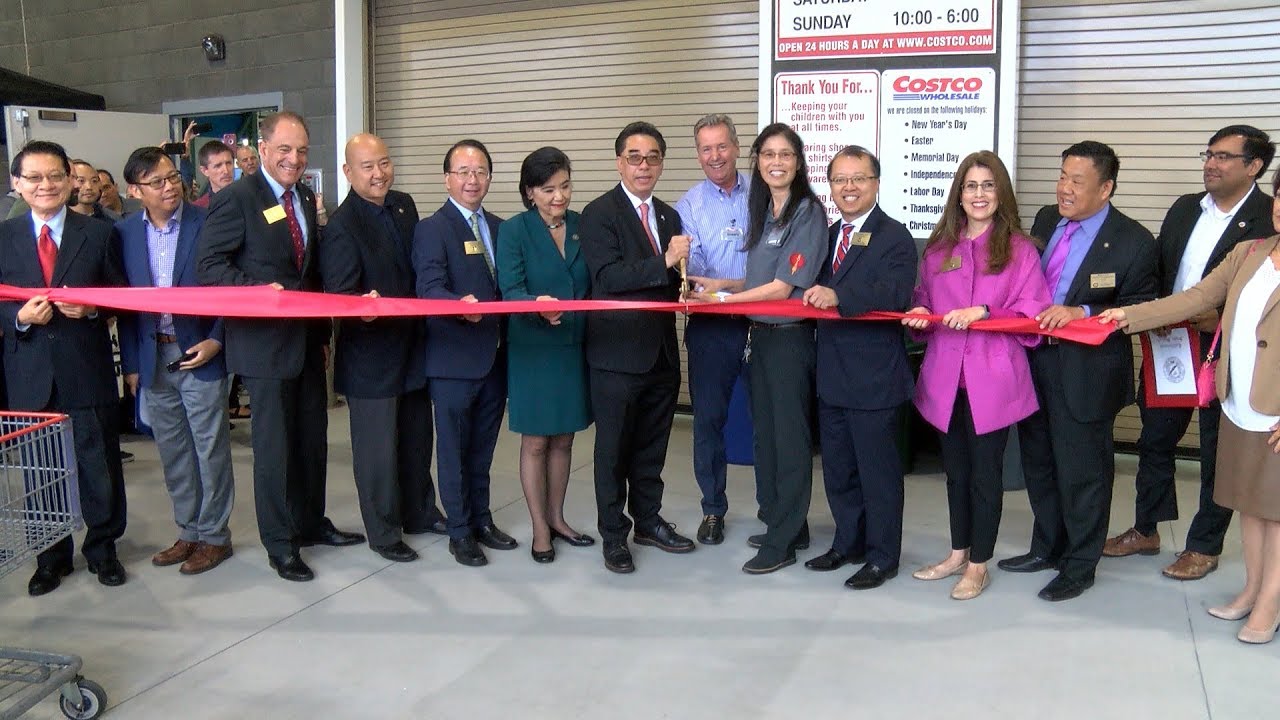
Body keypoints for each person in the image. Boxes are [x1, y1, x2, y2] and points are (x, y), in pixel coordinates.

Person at [1099, 168, 1280, 644]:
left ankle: (1269, 605)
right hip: (1240, 403)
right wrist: (1127, 316)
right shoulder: (1251, 252)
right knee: (1254, 510)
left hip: (1277, 410)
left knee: (1277, 513)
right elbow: (1198, 297)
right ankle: (1252, 591)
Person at [197, 111, 364, 582]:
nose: (294, 159)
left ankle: (311, 522)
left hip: (308, 342)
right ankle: (280, 542)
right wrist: (258, 290)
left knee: (312, 440)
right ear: (263, 150)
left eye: (302, 151)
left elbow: (308, 270)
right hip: (263, 346)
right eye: (285, 150)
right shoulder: (236, 199)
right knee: (273, 450)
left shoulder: (306, 198)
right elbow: (208, 266)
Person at [1000, 141, 1158, 601]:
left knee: (1083, 473)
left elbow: (1139, 305)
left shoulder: (1134, 241)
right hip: (1036, 359)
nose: (1064, 189)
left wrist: (1082, 310)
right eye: (1062, 176)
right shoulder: (1049, 218)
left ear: (1106, 188)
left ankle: (1079, 565)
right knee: (1041, 464)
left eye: (1077, 181)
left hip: (1086, 371)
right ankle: (1046, 547)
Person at [902, 151, 1052, 599]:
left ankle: (979, 564)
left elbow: (1034, 309)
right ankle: (957, 552)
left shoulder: (1021, 249)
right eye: (971, 185)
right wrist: (919, 310)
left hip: (994, 378)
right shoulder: (938, 249)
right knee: (956, 472)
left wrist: (985, 311)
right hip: (947, 377)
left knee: (986, 474)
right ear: (959, 194)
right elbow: (924, 298)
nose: (979, 194)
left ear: (1000, 192)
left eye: (988, 185)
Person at [691, 123, 826, 574]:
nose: (776, 162)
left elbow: (783, 287)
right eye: (768, 154)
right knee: (765, 435)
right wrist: (720, 285)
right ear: (757, 161)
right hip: (761, 336)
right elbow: (757, 278)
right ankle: (782, 523)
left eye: (785, 154)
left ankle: (783, 540)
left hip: (789, 339)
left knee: (788, 440)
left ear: (799, 161)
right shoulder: (765, 208)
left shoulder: (807, 212)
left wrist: (724, 301)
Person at [0, 140, 128, 595]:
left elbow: (121, 297)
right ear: (16, 184)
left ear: (70, 179)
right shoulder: (4, 237)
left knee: (99, 465)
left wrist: (92, 309)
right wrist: (17, 317)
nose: (45, 185)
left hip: (84, 368)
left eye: (55, 175)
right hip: (30, 374)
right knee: (40, 472)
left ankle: (103, 549)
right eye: (33, 177)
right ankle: (50, 557)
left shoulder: (97, 233)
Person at [320, 133, 447, 564]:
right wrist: (361, 308)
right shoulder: (341, 226)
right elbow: (339, 295)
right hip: (370, 357)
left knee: (416, 438)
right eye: (368, 167)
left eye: (385, 163)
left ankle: (420, 511)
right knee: (376, 453)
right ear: (348, 172)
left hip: (412, 347)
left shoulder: (404, 204)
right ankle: (383, 530)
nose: (379, 174)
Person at [796, 145, 916, 588]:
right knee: (840, 471)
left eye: (858, 178)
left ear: (876, 183)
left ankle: (884, 555)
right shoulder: (826, 236)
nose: (849, 187)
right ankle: (848, 543)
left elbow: (896, 291)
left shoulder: (895, 236)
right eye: (840, 179)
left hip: (875, 381)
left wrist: (839, 295)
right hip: (832, 376)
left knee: (878, 475)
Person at [579, 121, 695, 573]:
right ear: (619, 162)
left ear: (661, 163)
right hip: (615, 356)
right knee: (613, 451)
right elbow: (607, 279)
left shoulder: (668, 215)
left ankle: (647, 519)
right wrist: (664, 260)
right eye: (634, 157)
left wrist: (689, 289)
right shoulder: (598, 213)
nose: (643, 166)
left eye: (651, 158)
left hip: (662, 354)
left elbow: (670, 281)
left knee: (652, 447)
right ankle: (614, 533)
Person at [116, 146, 235, 575]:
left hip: (199, 351)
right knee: (173, 451)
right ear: (134, 190)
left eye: (172, 177)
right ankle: (188, 531)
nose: (169, 187)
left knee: (210, 448)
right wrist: (131, 365)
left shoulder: (209, 224)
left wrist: (216, 340)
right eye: (157, 182)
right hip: (153, 356)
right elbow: (125, 306)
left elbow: (231, 290)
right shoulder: (126, 232)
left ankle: (215, 537)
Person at [413, 138, 517, 568]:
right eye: (463, 172)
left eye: (480, 172)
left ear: (489, 178)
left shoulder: (500, 226)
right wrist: (460, 307)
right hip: (453, 360)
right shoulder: (432, 228)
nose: (472, 180)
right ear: (447, 179)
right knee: (453, 450)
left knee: (483, 448)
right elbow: (429, 288)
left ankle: (481, 519)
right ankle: (458, 531)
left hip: (494, 359)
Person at [496, 147, 595, 564]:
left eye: (565, 186)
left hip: (573, 346)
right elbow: (509, 289)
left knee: (565, 438)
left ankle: (558, 517)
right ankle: (540, 527)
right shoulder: (514, 230)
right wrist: (537, 304)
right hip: (534, 347)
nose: (559, 196)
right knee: (536, 440)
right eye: (548, 189)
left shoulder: (583, 226)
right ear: (529, 192)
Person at [676, 113, 750, 545]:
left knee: (773, 422)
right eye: (706, 149)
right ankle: (713, 510)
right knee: (708, 422)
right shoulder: (689, 206)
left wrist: (732, 286)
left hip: (765, 321)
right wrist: (724, 287)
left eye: (722, 146)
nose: (715, 156)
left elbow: (774, 264)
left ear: (737, 147)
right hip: (711, 328)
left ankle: (776, 512)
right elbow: (693, 275)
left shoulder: (763, 193)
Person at [192, 140, 237, 209]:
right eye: (218, 166)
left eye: (228, 163)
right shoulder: (199, 208)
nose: (226, 171)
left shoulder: (249, 199)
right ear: (204, 171)